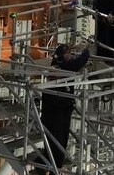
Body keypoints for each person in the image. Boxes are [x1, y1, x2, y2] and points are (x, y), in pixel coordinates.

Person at [36, 42, 89, 172]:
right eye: (68, 54)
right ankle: (54, 166)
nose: (70, 56)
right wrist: (87, 50)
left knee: (60, 138)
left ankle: (53, 164)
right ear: (62, 55)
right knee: (58, 139)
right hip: (56, 108)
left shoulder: (59, 63)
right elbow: (78, 62)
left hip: (61, 106)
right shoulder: (63, 65)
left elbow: (74, 64)